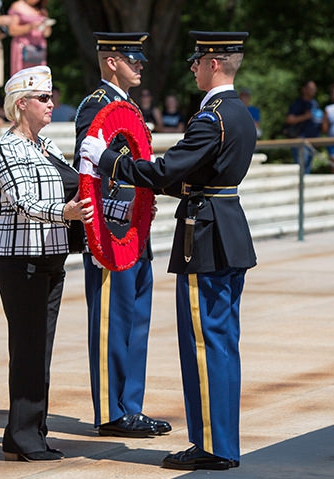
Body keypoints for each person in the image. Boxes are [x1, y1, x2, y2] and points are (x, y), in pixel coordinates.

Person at [80, 30, 257, 471]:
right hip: (228, 228)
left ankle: (212, 447)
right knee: (222, 343)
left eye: (197, 60)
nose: (193, 67)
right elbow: (191, 177)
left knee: (204, 344)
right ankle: (222, 442)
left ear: (213, 63)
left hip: (207, 236)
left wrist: (108, 160)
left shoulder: (209, 117)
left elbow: (164, 172)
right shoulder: (238, 113)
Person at [0, 65, 92, 461]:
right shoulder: (6, 147)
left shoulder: (46, 145)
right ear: (21, 103)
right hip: (18, 258)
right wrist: (66, 212)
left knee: (39, 348)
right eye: (43, 99)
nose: (52, 104)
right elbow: (23, 201)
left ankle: (25, 431)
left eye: (51, 97)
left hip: (49, 256)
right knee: (29, 346)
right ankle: (26, 434)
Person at [73, 32, 171, 439]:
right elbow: (89, 166)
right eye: (133, 59)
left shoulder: (127, 105)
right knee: (112, 323)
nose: (141, 65)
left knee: (136, 322)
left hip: (135, 227)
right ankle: (112, 412)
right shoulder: (96, 106)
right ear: (111, 61)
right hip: (111, 232)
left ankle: (131, 406)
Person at [284, 80, 322, 172]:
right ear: (304, 90)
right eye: (310, 88)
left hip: (312, 140)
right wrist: (305, 116)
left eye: (314, 88)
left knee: (308, 167)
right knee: (301, 167)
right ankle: (300, 186)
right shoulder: (298, 103)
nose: (313, 90)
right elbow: (289, 119)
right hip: (300, 140)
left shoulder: (314, 103)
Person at [7, 0, 51, 75]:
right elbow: (12, 30)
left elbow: (47, 34)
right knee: (21, 76)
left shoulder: (42, 10)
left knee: (38, 76)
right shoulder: (18, 6)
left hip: (38, 49)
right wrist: (30, 27)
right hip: (23, 48)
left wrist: (45, 27)